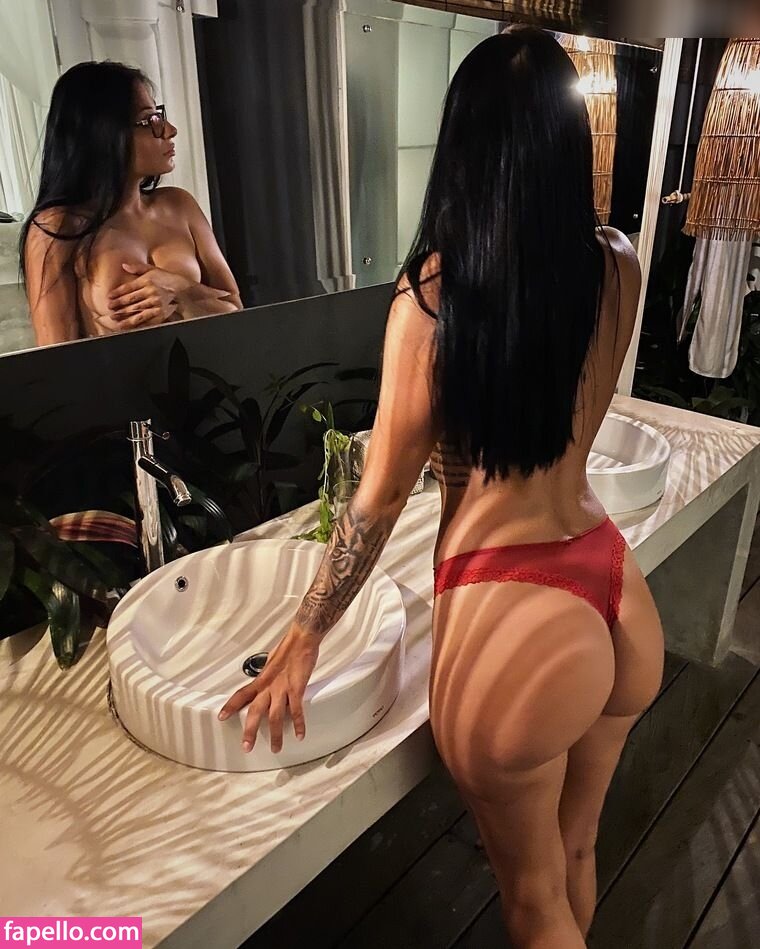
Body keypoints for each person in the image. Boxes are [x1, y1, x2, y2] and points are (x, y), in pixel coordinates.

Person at [218, 26, 664, 948]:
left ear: (461, 146)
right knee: (576, 855)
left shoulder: (433, 298)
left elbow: (380, 494)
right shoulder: (616, 261)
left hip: (513, 612)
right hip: (612, 585)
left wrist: (304, 634)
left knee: (533, 902)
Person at [21, 61, 242, 346]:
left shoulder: (179, 205)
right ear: (102, 132)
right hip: (117, 374)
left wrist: (181, 292)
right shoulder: (57, 228)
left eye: (159, 116)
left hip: (206, 369)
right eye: (149, 121)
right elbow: (55, 357)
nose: (170, 130)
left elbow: (237, 313)